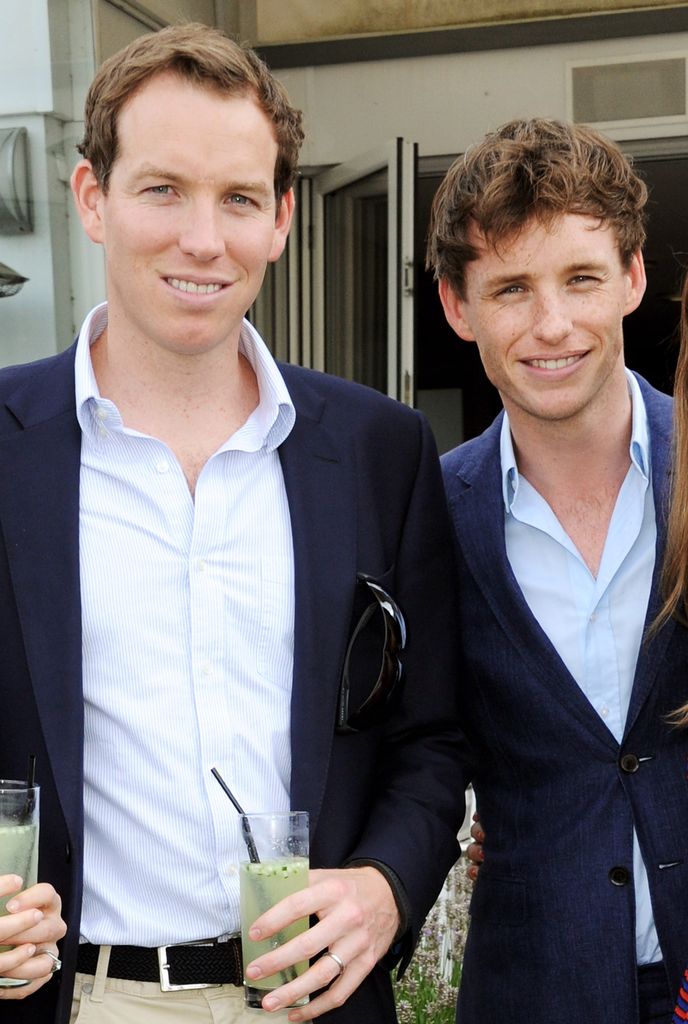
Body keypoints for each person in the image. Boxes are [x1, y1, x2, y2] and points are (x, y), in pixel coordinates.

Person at [0, 22, 465, 1024]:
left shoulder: (381, 450)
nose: (202, 239)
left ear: (282, 218)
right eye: (162, 189)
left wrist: (384, 887)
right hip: (75, 999)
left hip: (308, 1000)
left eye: (239, 199)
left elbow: (431, 736)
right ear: (93, 198)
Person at [425, 117, 688, 1024]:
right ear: (460, 309)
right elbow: (410, 751)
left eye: (580, 278)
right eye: (510, 288)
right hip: (538, 989)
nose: (552, 325)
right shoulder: (428, 513)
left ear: (633, 277)